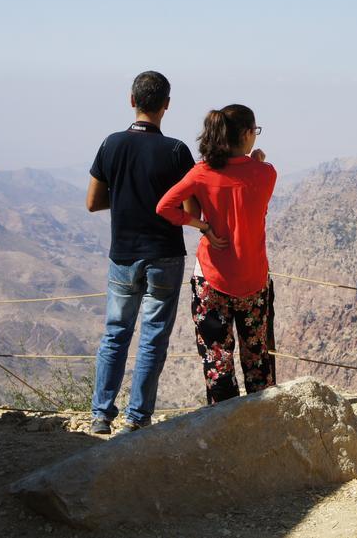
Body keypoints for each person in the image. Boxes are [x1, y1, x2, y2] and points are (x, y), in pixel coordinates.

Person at [85, 71, 210, 435]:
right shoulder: (175, 151)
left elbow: (93, 202)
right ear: (166, 105)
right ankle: (137, 419)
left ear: (131, 100)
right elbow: (193, 211)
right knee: (153, 337)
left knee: (115, 334)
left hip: (123, 254)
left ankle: (100, 416)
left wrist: (126, 200)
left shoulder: (111, 144)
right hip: (165, 255)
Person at [156, 104, 277, 404]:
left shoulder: (201, 173)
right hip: (253, 280)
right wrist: (257, 160)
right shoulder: (266, 173)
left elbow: (164, 207)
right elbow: (250, 179)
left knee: (217, 361)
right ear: (248, 134)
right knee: (257, 359)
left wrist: (202, 226)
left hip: (211, 280)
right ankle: (264, 422)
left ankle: (225, 426)